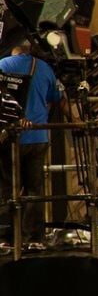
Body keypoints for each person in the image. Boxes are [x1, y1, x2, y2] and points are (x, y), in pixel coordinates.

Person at [0, 35, 67, 243]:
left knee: (6, 187)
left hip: (11, 137)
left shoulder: (2, 65)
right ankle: (31, 237)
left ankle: (7, 236)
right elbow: (56, 98)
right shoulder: (45, 68)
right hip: (39, 136)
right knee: (34, 189)